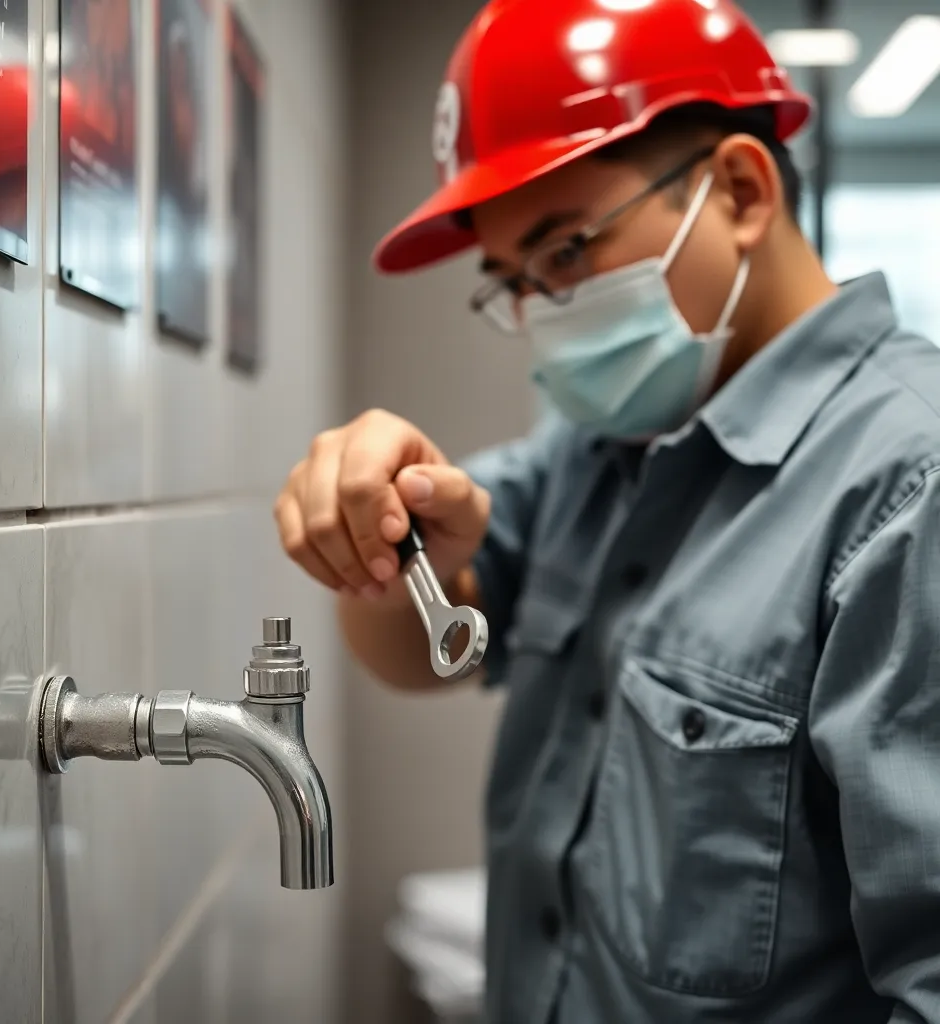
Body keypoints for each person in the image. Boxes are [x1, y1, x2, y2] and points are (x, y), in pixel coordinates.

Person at [274, 0, 940, 1021]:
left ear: (738, 190)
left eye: (566, 253)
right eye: (513, 283)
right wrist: (379, 535)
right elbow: (419, 652)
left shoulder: (906, 489)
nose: (541, 314)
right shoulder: (601, 451)